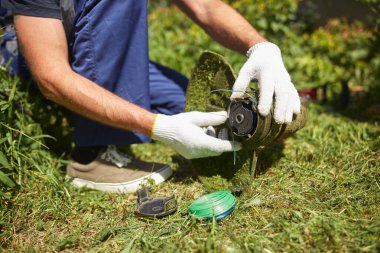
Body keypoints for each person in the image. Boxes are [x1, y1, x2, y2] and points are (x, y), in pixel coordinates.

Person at [1, 0, 301, 193]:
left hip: (81, 43)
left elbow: (206, 6)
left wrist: (261, 48)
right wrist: (159, 127)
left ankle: (95, 106)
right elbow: (51, 77)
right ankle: (91, 157)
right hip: (23, 53)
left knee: (195, 103)